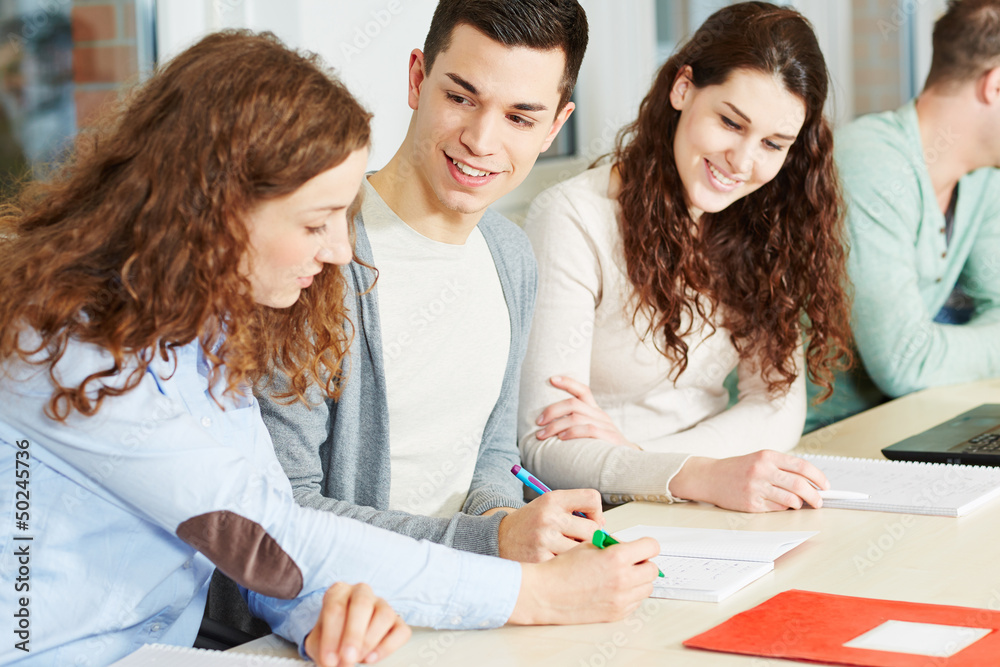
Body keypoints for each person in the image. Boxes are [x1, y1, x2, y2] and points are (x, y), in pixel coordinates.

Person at [0, 30, 659, 667]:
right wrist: (533, 596)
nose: (342, 252)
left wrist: (321, 613)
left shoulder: (207, 329)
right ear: (215, 208)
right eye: (317, 223)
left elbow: (271, 539)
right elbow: (257, 532)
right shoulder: (65, 344)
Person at [250, 0, 595, 577]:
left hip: (464, 595)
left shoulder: (512, 257)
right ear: (417, 79)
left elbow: (493, 456)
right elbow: (282, 512)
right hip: (329, 617)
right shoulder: (314, 255)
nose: (482, 140)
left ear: (555, 126)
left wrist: (511, 529)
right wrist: (488, 542)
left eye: (520, 118)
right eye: (461, 98)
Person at [517, 2, 853, 513]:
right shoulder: (573, 219)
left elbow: (778, 408)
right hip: (606, 513)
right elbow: (541, 448)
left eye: (773, 143)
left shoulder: (765, 223)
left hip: (712, 495)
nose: (742, 162)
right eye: (729, 122)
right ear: (682, 89)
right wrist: (693, 474)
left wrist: (648, 459)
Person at [805, 0, 1000, 432]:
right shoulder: (870, 161)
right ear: (995, 85)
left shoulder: (984, 174)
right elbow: (905, 361)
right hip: (811, 436)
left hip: (902, 420)